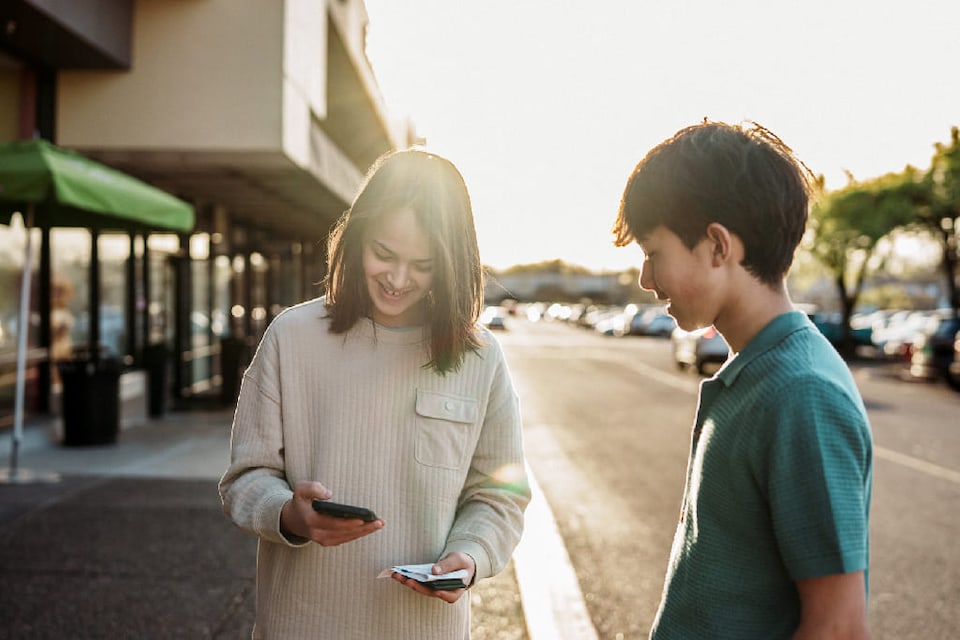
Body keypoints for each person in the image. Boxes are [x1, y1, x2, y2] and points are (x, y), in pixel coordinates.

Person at [219, 149, 530, 639]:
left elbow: (499, 495)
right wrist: (288, 514)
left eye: (422, 264)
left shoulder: (480, 357)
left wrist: (468, 557)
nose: (398, 278)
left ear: (451, 263)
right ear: (357, 237)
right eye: (383, 254)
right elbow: (244, 479)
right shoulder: (291, 336)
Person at [612, 121, 873, 639]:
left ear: (716, 245)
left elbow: (838, 626)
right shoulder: (754, 371)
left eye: (653, 252)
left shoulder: (802, 393)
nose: (645, 279)